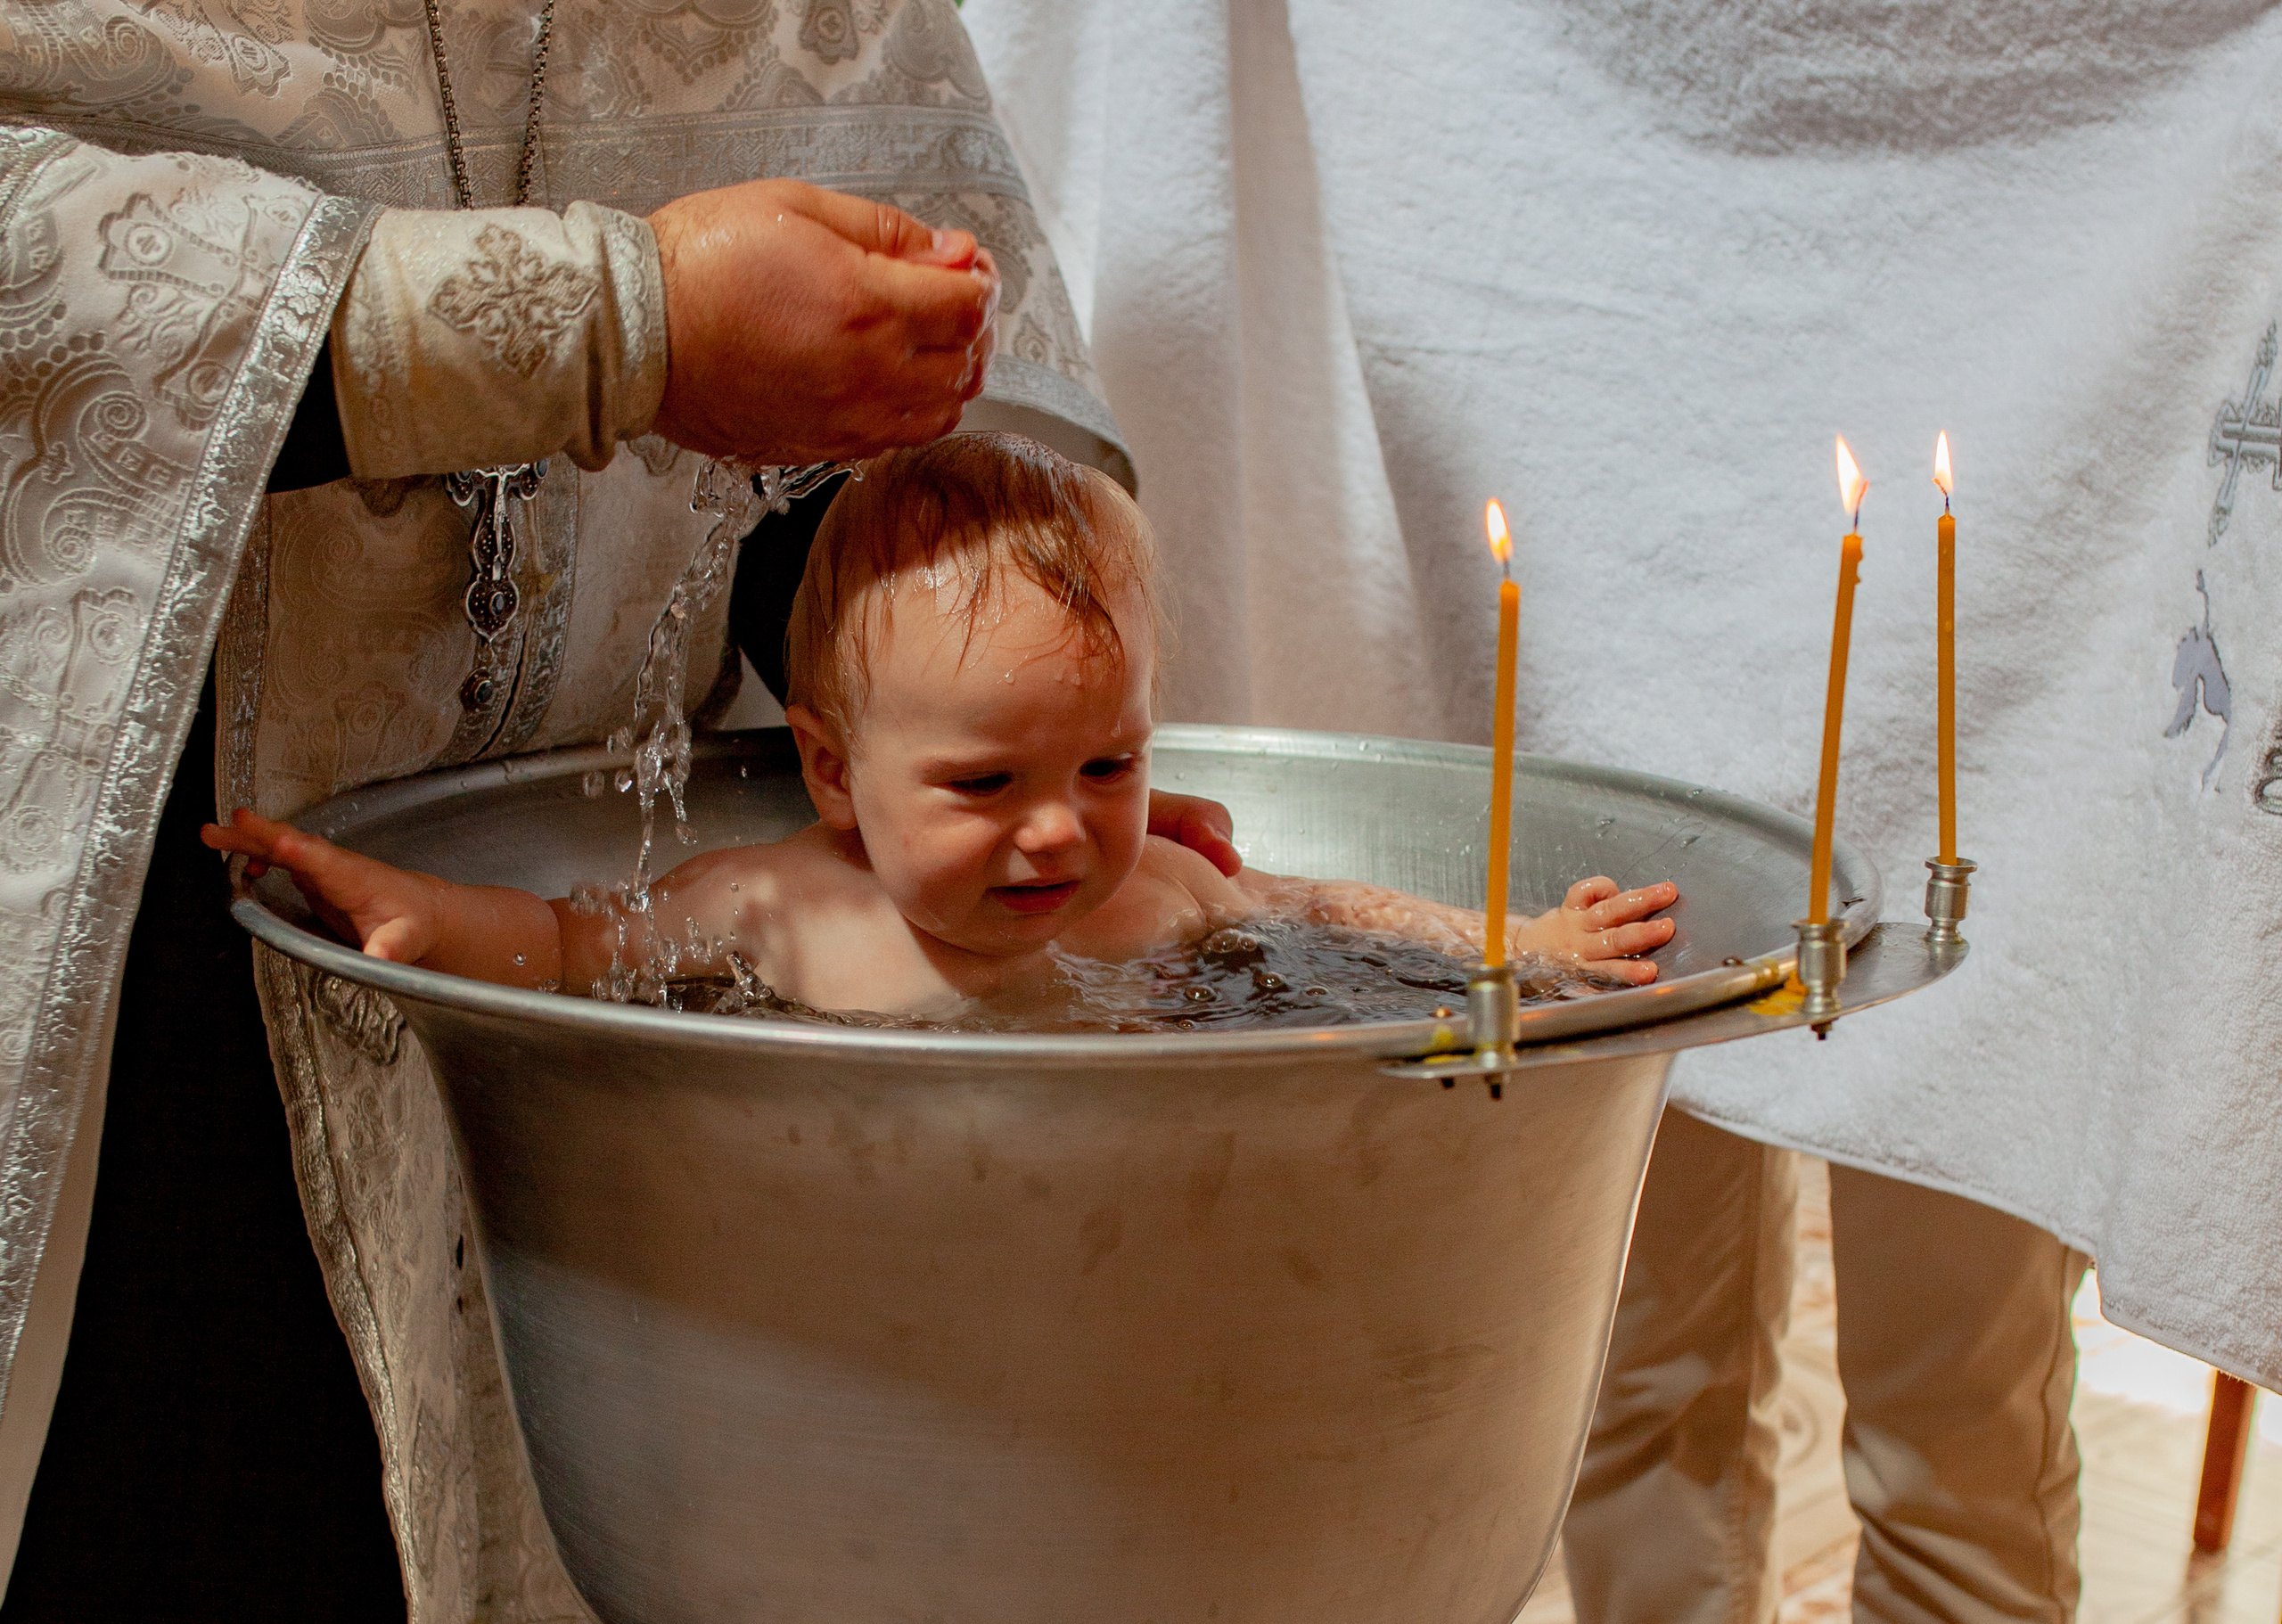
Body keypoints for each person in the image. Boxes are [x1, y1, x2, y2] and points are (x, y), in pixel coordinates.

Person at [0, 6, 1200, 1618]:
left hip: (635, 1043)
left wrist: (977, 744)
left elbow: (892, 398)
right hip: (135, 983)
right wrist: (600, 323)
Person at [202, 434, 1678, 1012]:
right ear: (836, 770)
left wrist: (1524, 946)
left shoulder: (1154, 894)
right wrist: (420, 916)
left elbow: (1325, 911)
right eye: (986, 781)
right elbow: (573, 944)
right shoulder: (775, 907)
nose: (1062, 823)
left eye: (1110, 763)